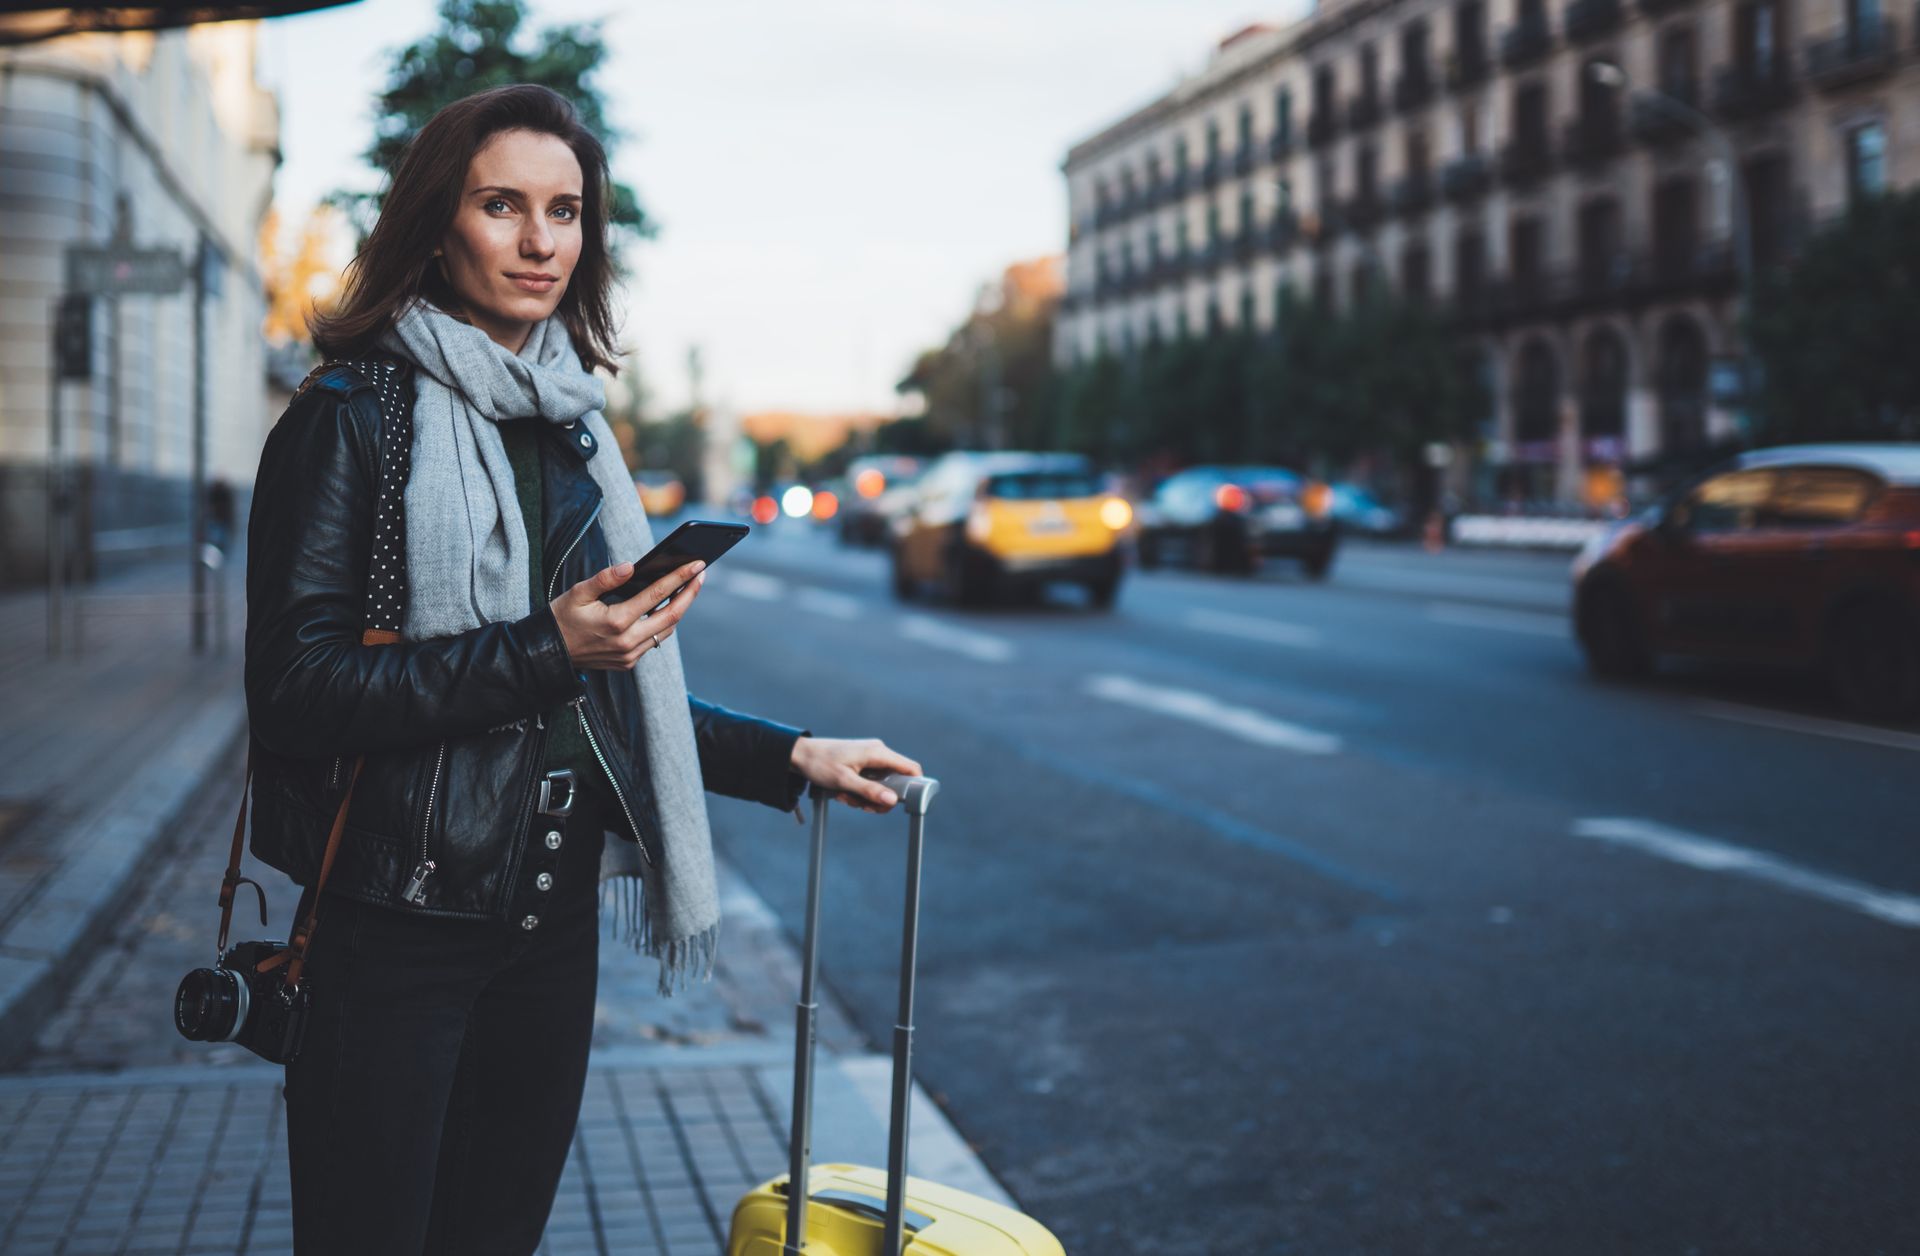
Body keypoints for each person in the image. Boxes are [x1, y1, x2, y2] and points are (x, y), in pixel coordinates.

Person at [243, 83, 920, 1254]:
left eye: (566, 211)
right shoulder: (350, 418)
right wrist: (546, 645)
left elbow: (612, 698)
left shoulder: (573, 430)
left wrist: (792, 755)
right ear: (436, 222)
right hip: (395, 923)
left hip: (546, 929)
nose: (540, 240)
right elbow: (297, 692)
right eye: (502, 204)